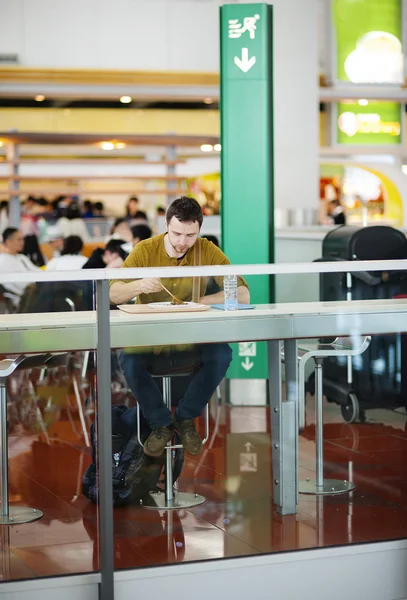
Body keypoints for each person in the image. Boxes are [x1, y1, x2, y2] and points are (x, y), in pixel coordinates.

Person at [109, 196, 249, 459]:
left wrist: (200, 301)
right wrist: (138, 285)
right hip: (149, 338)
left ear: (199, 230)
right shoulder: (144, 250)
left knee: (221, 354)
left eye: (190, 235)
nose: (183, 241)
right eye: (176, 233)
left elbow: (242, 294)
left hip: (191, 337)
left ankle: (186, 418)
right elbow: (113, 294)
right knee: (128, 356)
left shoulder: (207, 250)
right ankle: (161, 423)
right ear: (166, 225)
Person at [0, 228, 40, 308]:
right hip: (23, 299)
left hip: (35, 291)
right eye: (19, 240)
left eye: (22, 239)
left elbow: (37, 271)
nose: (22, 243)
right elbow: (21, 284)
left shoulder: (22, 257)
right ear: (8, 241)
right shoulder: (3, 260)